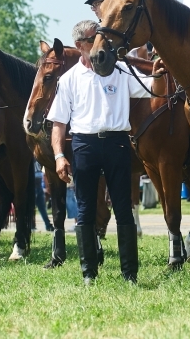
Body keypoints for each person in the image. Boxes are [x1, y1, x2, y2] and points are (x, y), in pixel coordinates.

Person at [48, 20, 151, 284]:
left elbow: (151, 86)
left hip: (117, 143)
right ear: (81, 46)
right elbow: (59, 123)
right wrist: (60, 156)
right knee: (85, 210)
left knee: (123, 209)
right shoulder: (69, 79)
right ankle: (88, 274)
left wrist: (162, 68)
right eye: (94, 39)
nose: (101, 43)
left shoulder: (120, 70)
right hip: (84, 145)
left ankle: (130, 274)